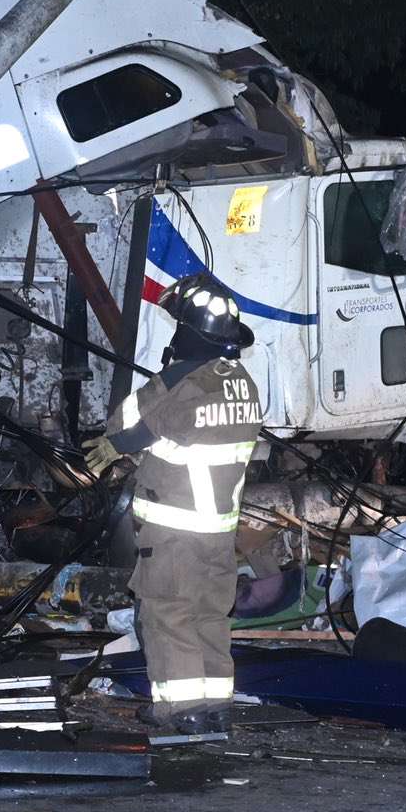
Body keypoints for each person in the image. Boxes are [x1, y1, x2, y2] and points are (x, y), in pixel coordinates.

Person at [85, 272, 262, 735]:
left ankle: (177, 709)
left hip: (175, 531)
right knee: (208, 616)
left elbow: (123, 422)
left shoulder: (183, 385)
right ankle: (213, 708)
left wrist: (166, 374)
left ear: (187, 334)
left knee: (167, 613)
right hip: (219, 534)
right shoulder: (242, 383)